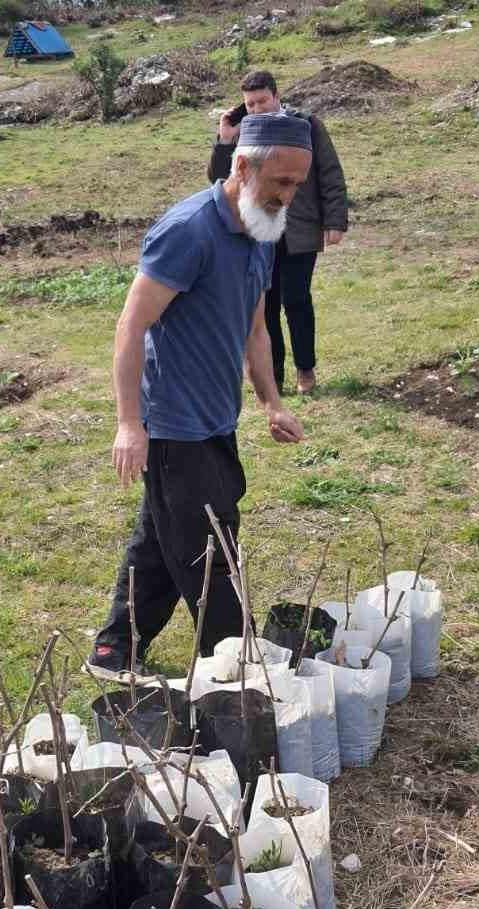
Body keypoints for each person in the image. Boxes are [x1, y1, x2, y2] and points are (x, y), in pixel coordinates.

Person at [87, 114, 312, 681]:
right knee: (208, 549)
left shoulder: (261, 230)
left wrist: (271, 402)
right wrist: (129, 423)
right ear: (242, 165)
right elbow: (131, 325)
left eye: (297, 185)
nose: (288, 196)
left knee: (162, 541)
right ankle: (238, 667)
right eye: (280, 182)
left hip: (217, 419)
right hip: (173, 427)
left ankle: (116, 647)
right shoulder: (188, 231)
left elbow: (255, 330)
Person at [207, 69, 348, 395]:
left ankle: (305, 371)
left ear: (276, 96)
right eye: (250, 104)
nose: (256, 109)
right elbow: (219, 180)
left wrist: (335, 221)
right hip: (257, 232)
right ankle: (273, 377)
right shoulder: (243, 134)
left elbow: (329, 172)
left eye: (262, 101)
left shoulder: (306, 125)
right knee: (263, 306)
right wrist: (226, 140)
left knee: (297, 300)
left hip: (299, 229)